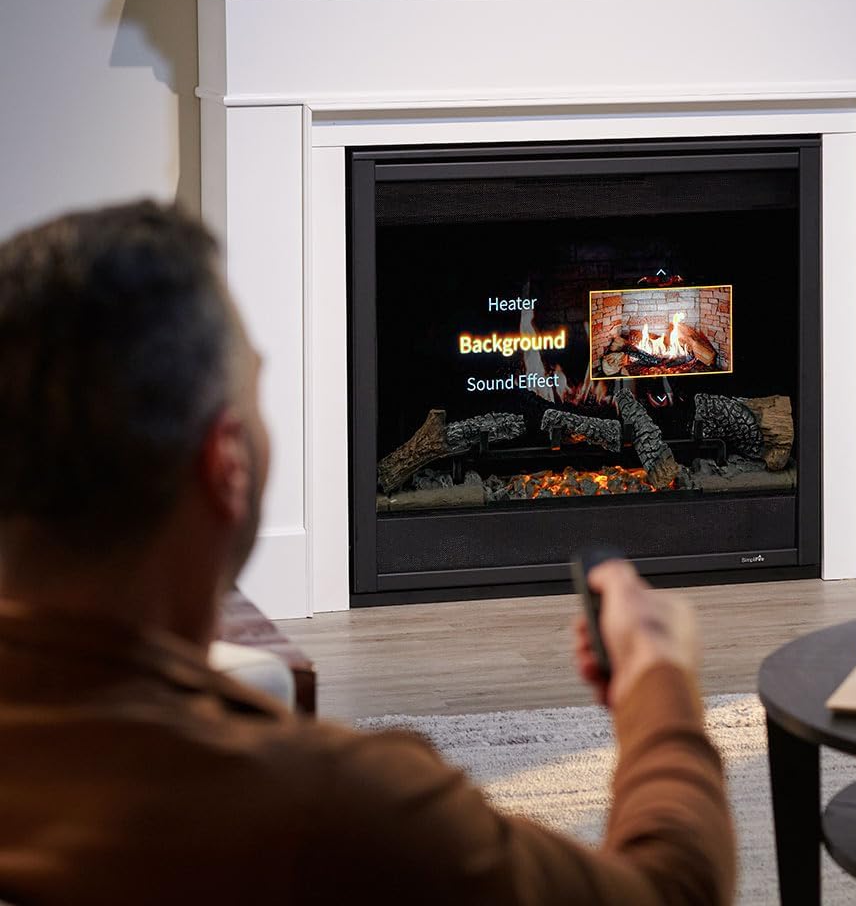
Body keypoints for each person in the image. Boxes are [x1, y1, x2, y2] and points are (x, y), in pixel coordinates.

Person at [0, 201, 736, 905]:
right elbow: (669, 893)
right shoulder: (332, 809)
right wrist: (656, 677)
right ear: (225, 463)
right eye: (257, 389)